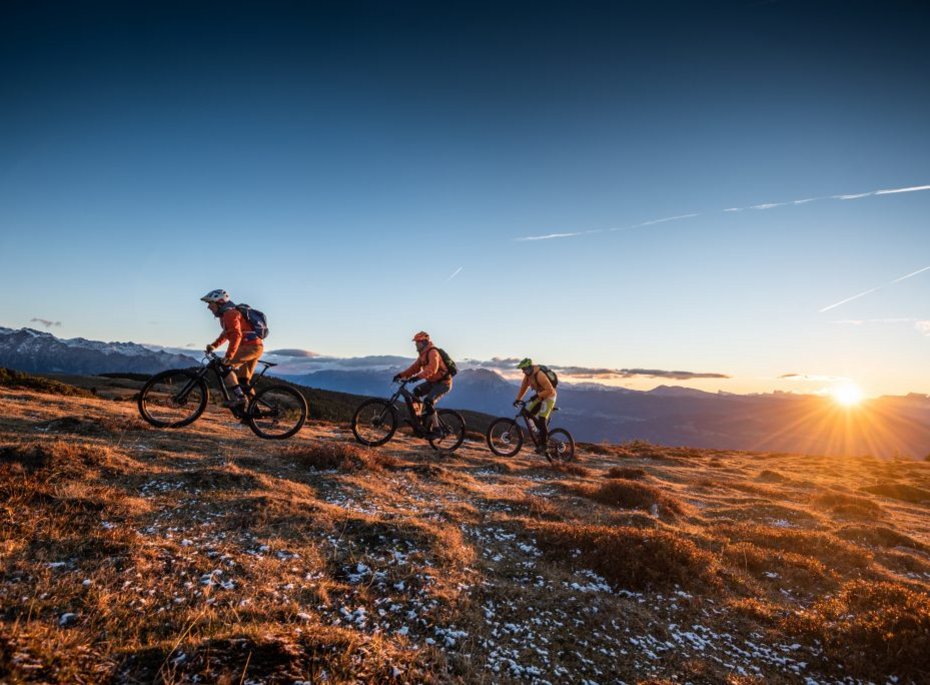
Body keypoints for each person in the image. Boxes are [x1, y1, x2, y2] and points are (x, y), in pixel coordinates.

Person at [200, 289, 264, 412]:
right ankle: (253, 413)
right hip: (255, 347)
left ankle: (240, 398)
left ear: (219, 302)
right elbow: (226, 334)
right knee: (243, 381)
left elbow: (236, 335)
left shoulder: (230, 314)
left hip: (249, 347)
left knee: (223, 366)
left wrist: (229, 356)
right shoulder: (227, 314)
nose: (208, 307)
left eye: (210, 303)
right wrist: (214, 345)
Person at [393, 331, 452, 439]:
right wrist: (401, 375)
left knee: (428, 402)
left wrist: (418, 377)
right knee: (416, 392)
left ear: (424, 342)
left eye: (417, 342)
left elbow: (432, 369)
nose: (415, 345)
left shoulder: (433, 352)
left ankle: (437, 429)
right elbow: (414, 368)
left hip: (444, 383)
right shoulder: (422, 355)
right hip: (433, 382)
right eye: (415, 343)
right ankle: (419, 418)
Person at [514, 358, 557, 453]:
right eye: (522, 370)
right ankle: (540, 432)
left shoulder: (540, 375)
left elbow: (550, 390)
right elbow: (523, 388)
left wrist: (537, 395)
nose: (523, 371)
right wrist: (518, 399)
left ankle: (544, 445)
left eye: (524, 369)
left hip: (550, 397)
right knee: (528, 413)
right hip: (540, 396)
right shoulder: (527, 376)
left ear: (530, 367)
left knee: (542, 419)